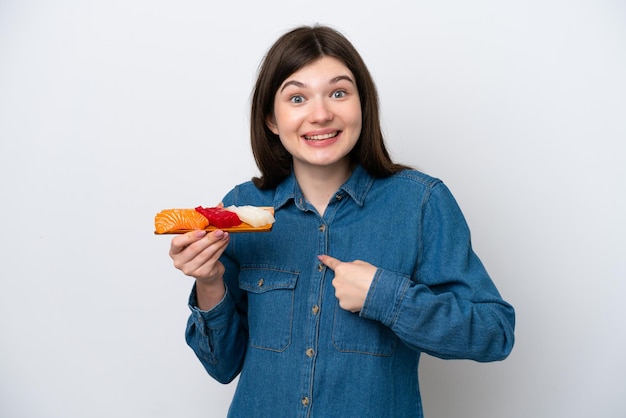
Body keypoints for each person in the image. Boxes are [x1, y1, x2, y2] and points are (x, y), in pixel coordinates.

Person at [169, 25, 515, 418]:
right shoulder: (238, 208)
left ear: (362, 105)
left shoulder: (421, 203)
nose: (320, 114)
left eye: (338, 93)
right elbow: (221, 366)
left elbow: (495, 333)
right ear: (271, 118)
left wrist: (384, 295)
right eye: (297, 98)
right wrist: (209, 282)